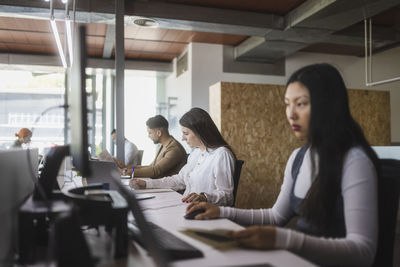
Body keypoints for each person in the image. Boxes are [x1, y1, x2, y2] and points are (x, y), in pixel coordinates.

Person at [186, 64, 379, 266]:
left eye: (301, 104)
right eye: (287, 104)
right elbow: (276, 215)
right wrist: (221, 212)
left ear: (329, 105)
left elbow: (362, 251)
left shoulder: (354, 161)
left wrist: (285, 240)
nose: (291, 114)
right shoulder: (298, 157)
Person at [131, 108, 236, 206]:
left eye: (186, 133)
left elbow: (227, 196)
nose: (182, 138)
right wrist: (147, 184)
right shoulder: (196, 153)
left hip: (203, 213)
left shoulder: (221, 154)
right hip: (185, 206)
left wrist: (204, 197)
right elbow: (178, 180)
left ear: (200, 132)